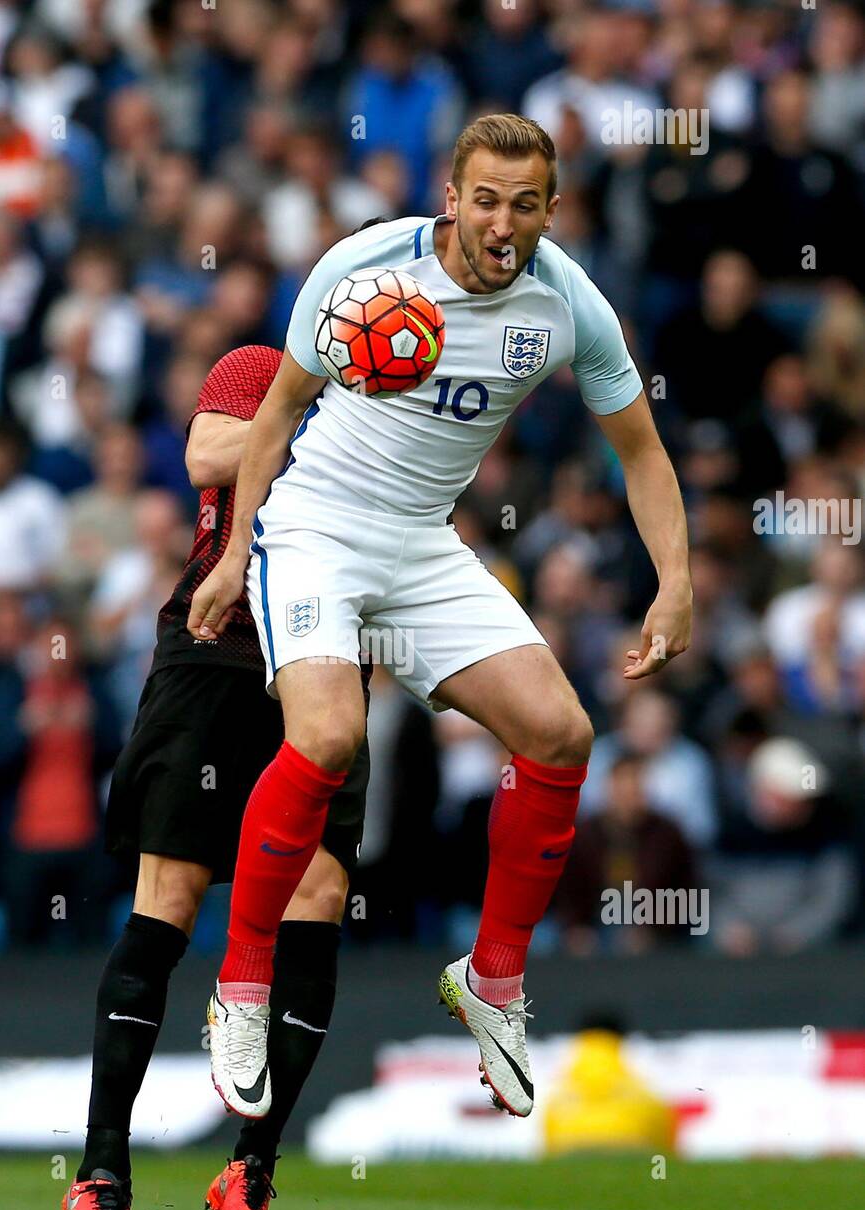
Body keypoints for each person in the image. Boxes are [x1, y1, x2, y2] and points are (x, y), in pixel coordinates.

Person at [188, 113, 692, 1122]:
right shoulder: (364, 267)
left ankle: (493, 980)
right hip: (318, 528)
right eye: (486, 198)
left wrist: (672, 578)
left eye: (526, 202)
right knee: (328, 734)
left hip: (421, 542)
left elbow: (637, 450)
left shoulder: (568, 306)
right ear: (449, 197)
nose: (503, 222)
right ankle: (238, 985)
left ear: (551, 208)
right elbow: (279, 409)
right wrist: (236, 547)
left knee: (560, 732)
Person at [62, 343, 370, 1210]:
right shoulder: (260, 368)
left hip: (323, 664)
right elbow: (205, 460)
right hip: (216, 648)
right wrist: (340, 427)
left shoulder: (430, 412)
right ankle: (102, 1169)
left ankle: (253, 1162)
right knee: (172, 897)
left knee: (318, 894)